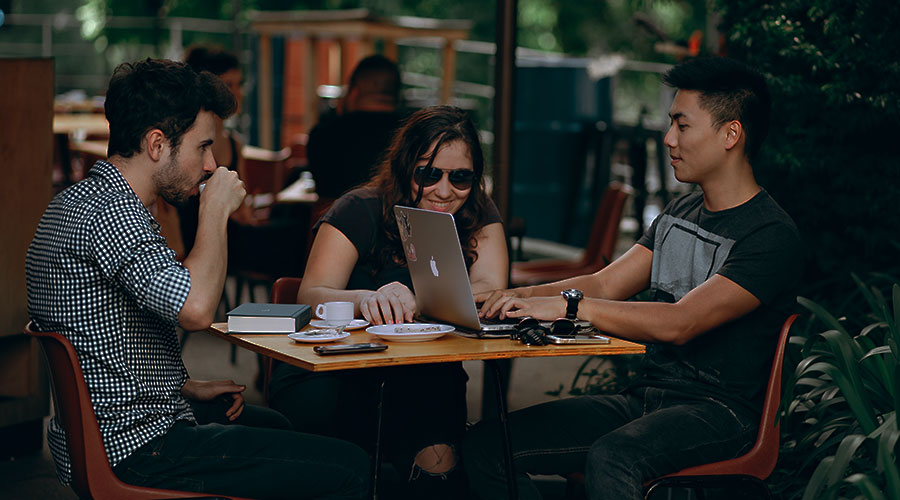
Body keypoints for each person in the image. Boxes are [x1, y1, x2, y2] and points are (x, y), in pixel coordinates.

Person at [25, 58, 369, 500]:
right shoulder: (112, 214)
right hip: (138, 448)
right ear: (156, 144)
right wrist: (214, 213)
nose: (210, 164)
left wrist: (181, 385)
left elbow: (100, 335)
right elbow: (197, 310)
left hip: (114, 432)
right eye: (202, 147)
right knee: (351, 468)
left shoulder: (82, 201)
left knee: (278, 424)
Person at [464, 57, 803, 500]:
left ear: (730, 134)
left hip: (721, 414)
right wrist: (514, 296)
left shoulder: (769, 235)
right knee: (486, 446)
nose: (668, 139)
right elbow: (605, 284)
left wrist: (568, 307)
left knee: (613, 456)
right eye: (670, 124)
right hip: (646, 399)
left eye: (682, 125)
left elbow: (680, 323)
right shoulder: (678, 213)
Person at [268, 106, 508, 499]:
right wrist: (367, 298)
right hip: (335, 373)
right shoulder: (359, 208)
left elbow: (489, 287)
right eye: (429, 174)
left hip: (422, 377)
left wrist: (423, 297)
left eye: (461, 177)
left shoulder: (477, 212)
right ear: (404, 167)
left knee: (439, 466)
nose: (445, 191)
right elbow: (310, 296)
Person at [178, 43, 257, 254]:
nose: (237, 93)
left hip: (228, 240)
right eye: (229, 85)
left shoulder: (235, 144)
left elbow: (243, 209)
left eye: (239, 84)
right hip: (189, 242)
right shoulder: (182, 140)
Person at [306, 54, 406, 200]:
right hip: (392, 220)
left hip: (333, 219)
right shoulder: (411, 134)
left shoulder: (323, 134)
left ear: (354, 91)